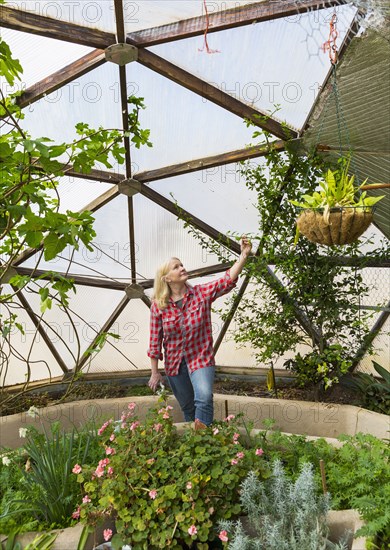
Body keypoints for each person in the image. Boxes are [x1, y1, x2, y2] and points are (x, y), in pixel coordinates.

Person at [147, 237, 252, 429]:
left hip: (200, 359)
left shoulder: (201, 294)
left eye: (182, 265)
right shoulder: (158, 306)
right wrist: (155, 373)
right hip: (175, 365)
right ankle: (196, 445)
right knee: (188, 408)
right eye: (176, 267)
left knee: (203, 397)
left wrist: (243, 256)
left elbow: (226, 281)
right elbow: (155, 341)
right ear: (166, 278)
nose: (182, 268)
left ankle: (203, 442)